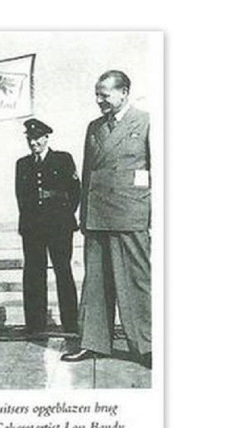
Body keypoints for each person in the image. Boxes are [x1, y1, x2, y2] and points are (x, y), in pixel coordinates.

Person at [62, 70, 151, 362]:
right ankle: (94, 342)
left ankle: (147, 346)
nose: (99, 100)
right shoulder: (94, 127)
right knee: (96, 282)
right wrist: (84, 215)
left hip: (131, 212)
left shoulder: (147, 121)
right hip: (97, 215)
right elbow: (88, 173)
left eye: (105, 94)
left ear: (124, 92)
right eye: (97, 94)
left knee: (136, 282)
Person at [15, 118, 81, 335]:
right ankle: (35, 325)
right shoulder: (22, 164)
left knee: (63, 271)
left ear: (46, 138)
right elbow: (21, 197)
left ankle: (71, 324)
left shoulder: (62, 159)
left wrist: (63, 216)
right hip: (32, 228)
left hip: (59, 226)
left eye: (36, 138)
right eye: (29, 139)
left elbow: (74, 192)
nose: (33, 143)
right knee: (34, 274)